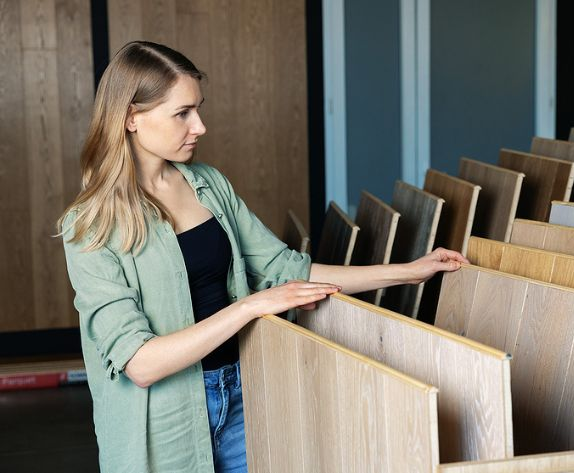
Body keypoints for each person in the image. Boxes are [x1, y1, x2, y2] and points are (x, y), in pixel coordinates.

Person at [58, 41, 467, 473]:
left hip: (241, 395)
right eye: (182, 113)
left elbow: (286, 269)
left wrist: (409, 272)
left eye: (198, 109)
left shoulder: (210, 185)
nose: (200, 126)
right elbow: (140, 363)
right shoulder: (90, 226)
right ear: (130, 118)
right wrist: (250, 306)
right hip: (162, 423)